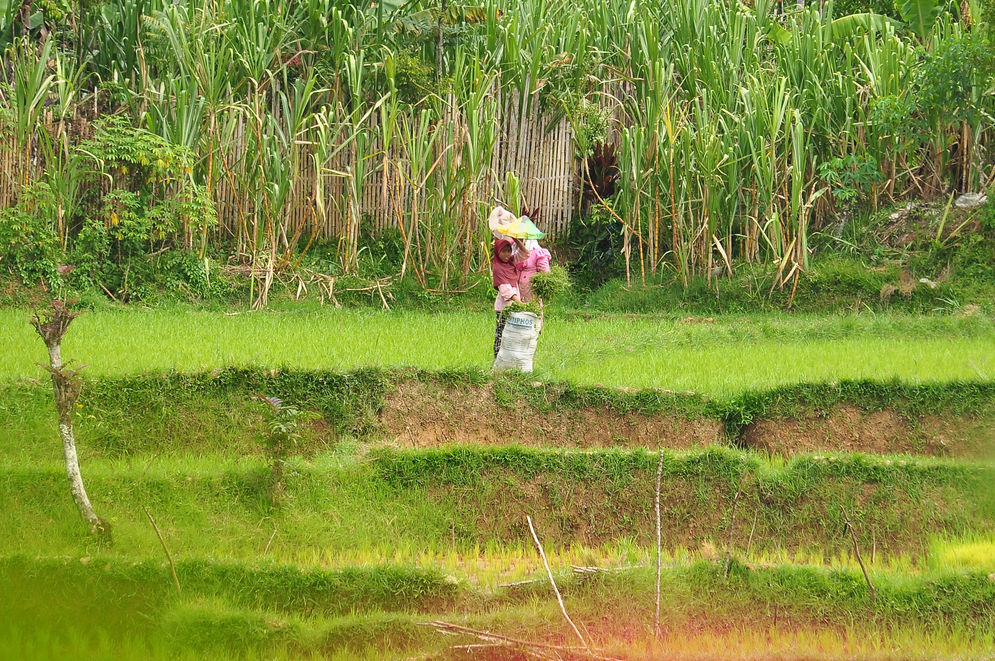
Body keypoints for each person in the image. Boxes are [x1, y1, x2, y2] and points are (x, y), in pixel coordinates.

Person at [492, 238, 521, 358]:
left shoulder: (511, 263)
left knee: (512, 335)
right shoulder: (498, 267)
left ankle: (509, 360)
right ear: (497, 252)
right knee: (501, 334)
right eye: (503, 251)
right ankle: (498, 360)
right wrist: (519, 302)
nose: (506, 255)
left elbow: (525, 254)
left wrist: (517, 240)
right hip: (503, 308)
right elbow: (505, 289)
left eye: (509, 251)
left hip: (514, 306)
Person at [512, 236, 551, 304]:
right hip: (516, 288)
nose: (520, 239)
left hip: (530, 288)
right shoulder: (513, 248)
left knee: (532, 308)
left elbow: (545, 271)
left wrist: (541, 281)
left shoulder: (537, 252)